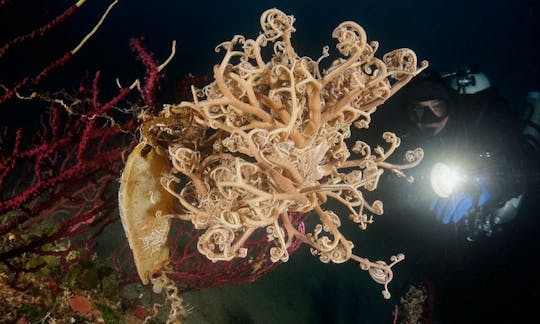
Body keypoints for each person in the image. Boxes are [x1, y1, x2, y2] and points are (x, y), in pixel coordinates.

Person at [393, 67, 533, 241]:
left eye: (437, 107)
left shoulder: (478, 126)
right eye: (419, 109)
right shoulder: (400, 137)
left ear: (450, 107)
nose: (429, 118)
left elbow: (526, 163)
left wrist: (489, 188)